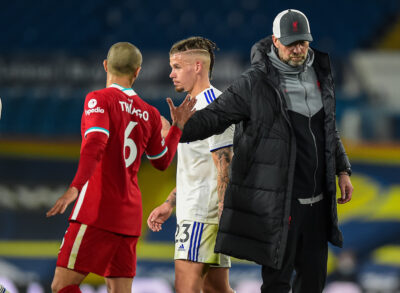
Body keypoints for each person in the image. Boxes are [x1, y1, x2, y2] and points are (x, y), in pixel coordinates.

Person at [179, 9, 354, 293]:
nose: (298, 49)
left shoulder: (321, 74)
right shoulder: (254, 83)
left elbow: (328, 128)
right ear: (275, 40)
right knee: (276, 284)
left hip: (318, 204)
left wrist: (342, 169)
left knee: (313, 283)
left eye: (303, 42)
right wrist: (181, 128)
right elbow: (216, 116)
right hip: (280, 205)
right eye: (291, 43)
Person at [46, 42, 196, 293]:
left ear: (105, 65)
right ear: (137, 72)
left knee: (62, 286)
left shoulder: (98, 99)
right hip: (129, 217)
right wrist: (177, 128)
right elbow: (161, 162)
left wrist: (75, 187)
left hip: (96, 210)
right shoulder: (148, 113)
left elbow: (95, 143)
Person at [147, 37, 235, 293]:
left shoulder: (214, 106)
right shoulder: (191, 107)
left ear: (197, 66)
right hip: (198, 212)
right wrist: (170, 203)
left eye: (176, 66)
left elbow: (224, 164)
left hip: (201, 216)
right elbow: (198, 167)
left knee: (187, 289)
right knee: (216, 289)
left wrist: (223, 214)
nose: (171, 73)